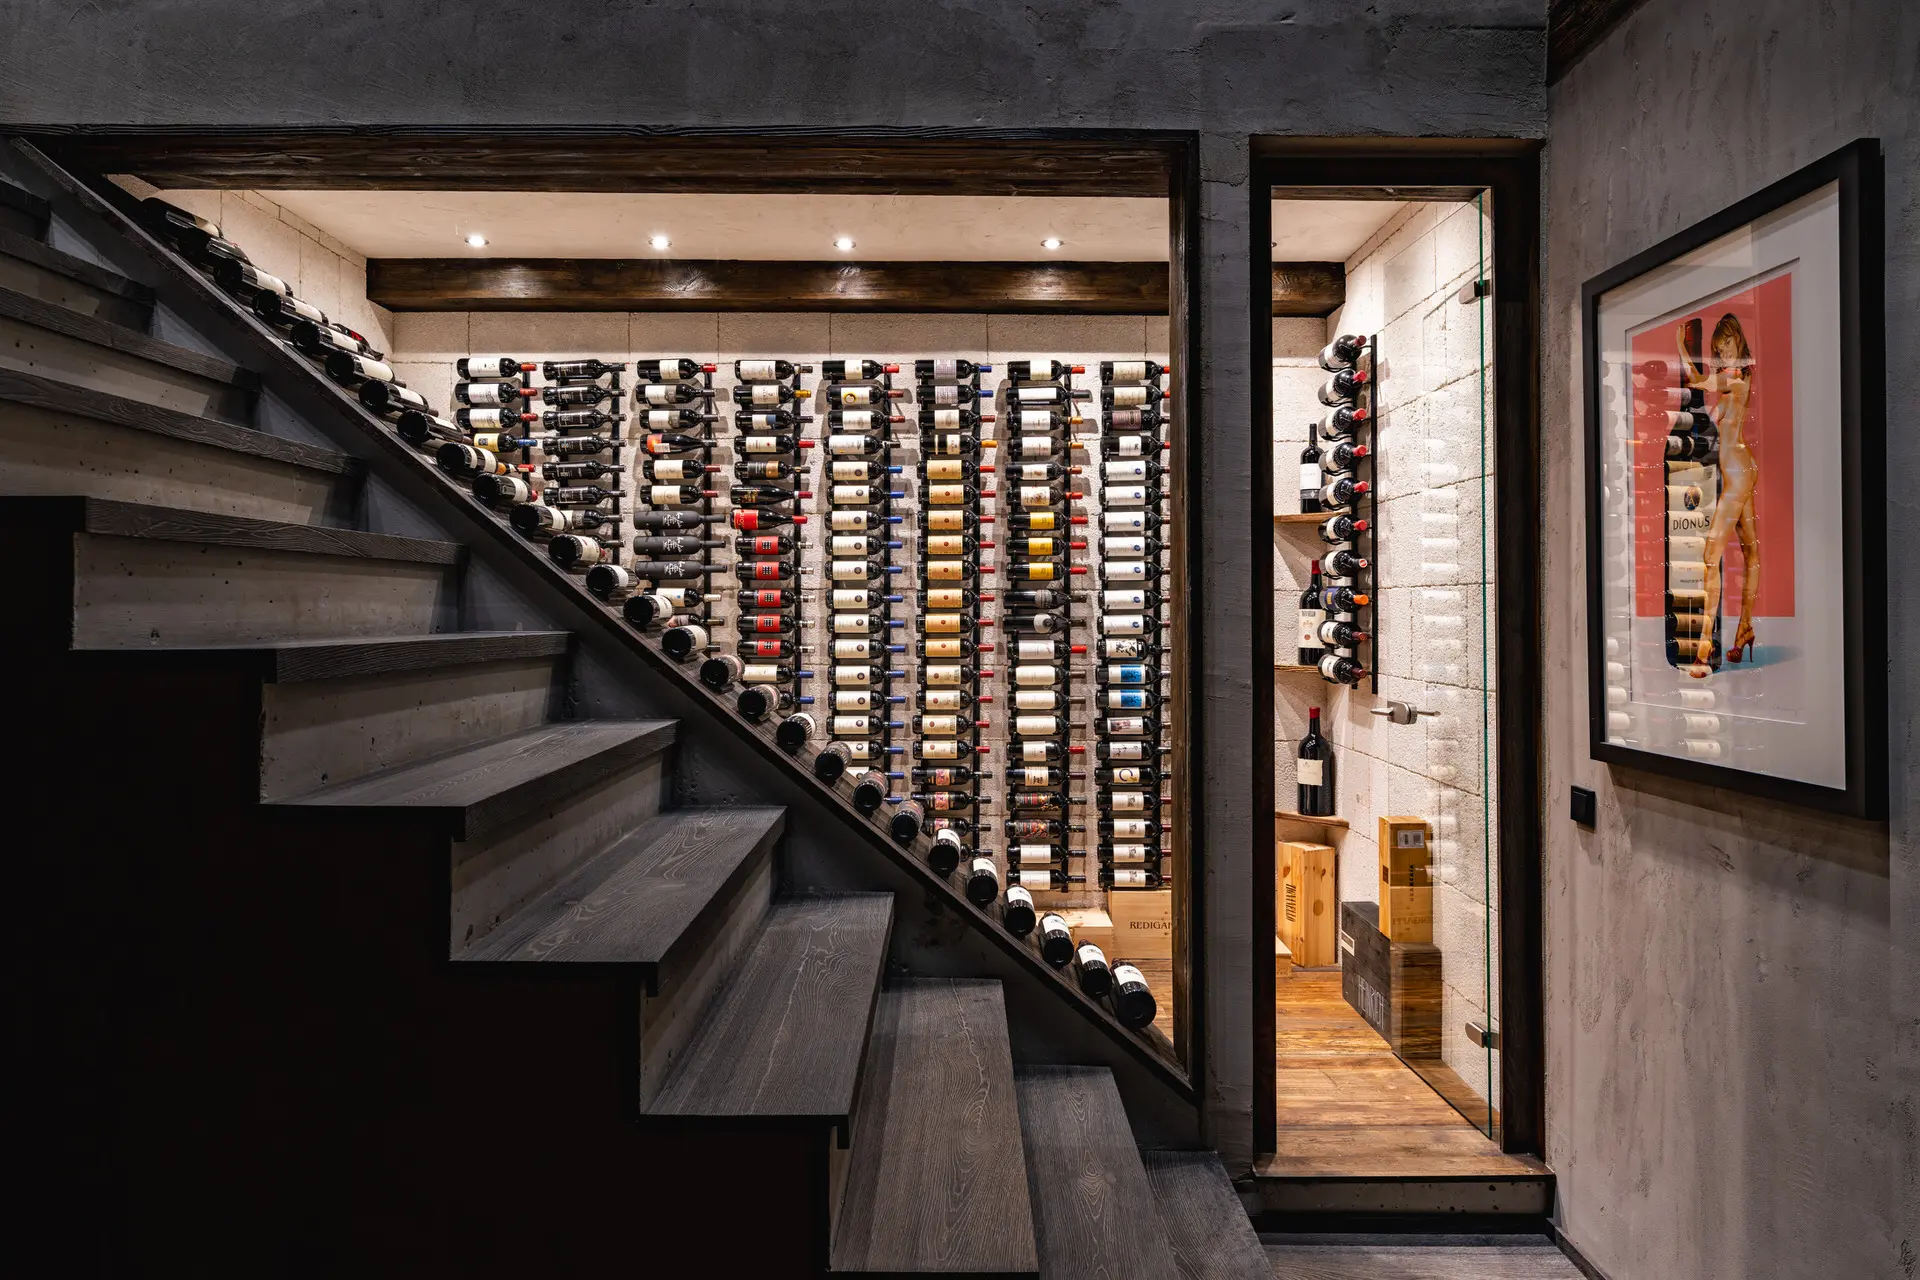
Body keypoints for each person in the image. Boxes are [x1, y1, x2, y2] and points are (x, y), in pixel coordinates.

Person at [1677, 312, 1759, 665]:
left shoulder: (1736, 380)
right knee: (1750, 551)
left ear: (1738, 341)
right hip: (1741, 468)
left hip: (1738, 472)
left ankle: (1705, 644)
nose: (1724, 352)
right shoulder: (1735, 379)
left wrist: (1680, 347)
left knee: (1711, 557)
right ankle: (1745, 629)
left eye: (1728, 344)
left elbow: (1697, 381)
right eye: (1719, 348)